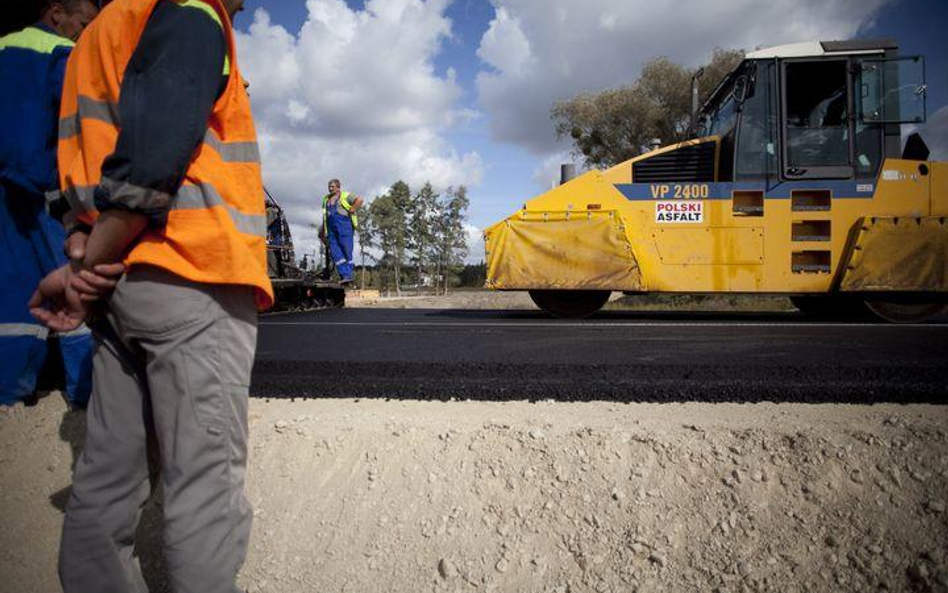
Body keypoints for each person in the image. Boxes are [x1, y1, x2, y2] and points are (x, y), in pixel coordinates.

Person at [29, 0, 273, 590]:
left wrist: (84, 258)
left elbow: (74, 167)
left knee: (105, 486)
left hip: (122, 291)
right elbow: (152, 156)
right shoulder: (191, 11)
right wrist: (100, 256)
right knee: (204, 489)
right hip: (193, 278)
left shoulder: (98, 34)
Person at [0, 0, 101, 407]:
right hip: (41, 184)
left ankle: (10, 389)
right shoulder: (64, 53)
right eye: (83, 23)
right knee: (74, 283)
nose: (85, 33)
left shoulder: (4, 44)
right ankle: (85, 391)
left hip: (5, 188)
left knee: (13, 287)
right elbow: (79, 124)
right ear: (56, 14)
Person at [320, 178, 363, 284]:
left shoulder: (344, 195)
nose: (330, 188)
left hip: (344, 226)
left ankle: (348, 275)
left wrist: (353, 209)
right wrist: (322, 230)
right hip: (331, 229)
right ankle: (345, 275)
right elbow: (325, 215)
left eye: (332, 186)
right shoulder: (326, 199)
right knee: (335, 252)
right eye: (329, 186)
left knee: (346, 250)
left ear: (338, 187)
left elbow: (360, 200)